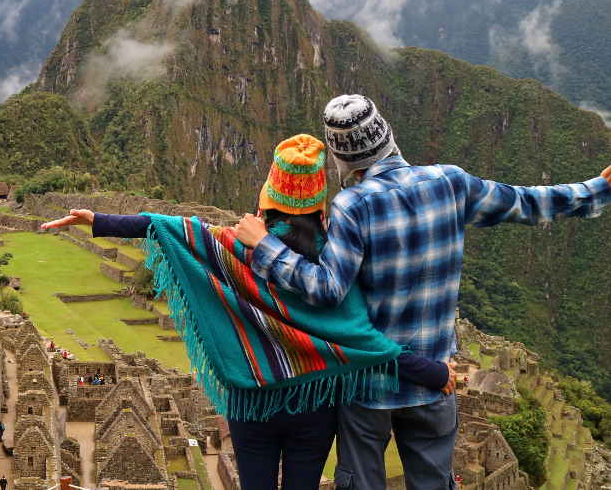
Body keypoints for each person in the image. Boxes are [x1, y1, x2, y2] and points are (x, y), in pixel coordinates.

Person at [231, 95, 611, 490]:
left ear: (342, 163)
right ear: (390, 138)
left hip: (368, 389)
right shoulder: (450, 182)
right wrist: (597, 190)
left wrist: (265, 247)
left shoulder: (351, 206)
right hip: (434, 382)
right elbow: (527, 202)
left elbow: (327, 290)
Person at [42, 134, 454, 490]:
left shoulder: (232, 248)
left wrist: (99, 220)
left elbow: (174, 228)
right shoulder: (332, 260)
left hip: (250, 403)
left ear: (267, 200)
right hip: (312, 406)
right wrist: (433, 372)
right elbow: (363, 340)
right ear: (319, 207)